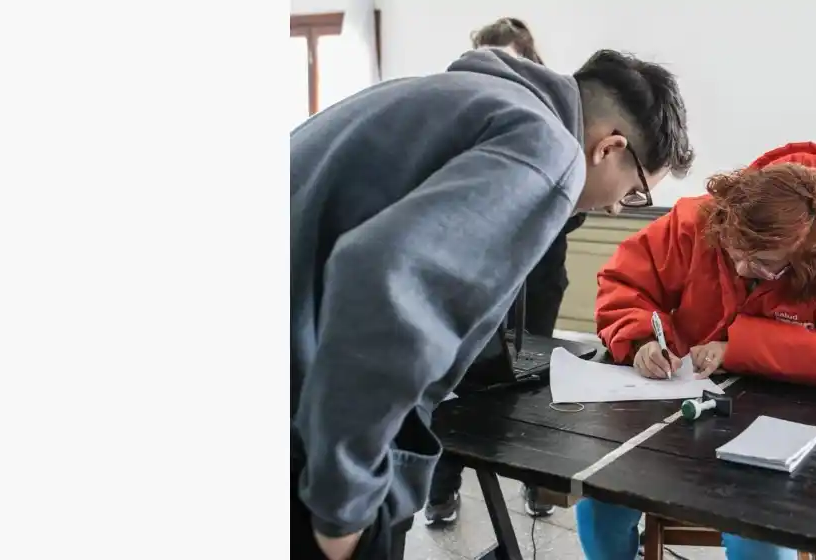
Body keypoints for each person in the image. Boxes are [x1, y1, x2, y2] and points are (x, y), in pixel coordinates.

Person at [291, 47, 694, 560]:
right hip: (308, 420)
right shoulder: (550, 149)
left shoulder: (466, 96)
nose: (618, 207)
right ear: (609, 147)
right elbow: (382, 281)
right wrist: (341, 504)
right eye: (635, 191)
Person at [577, 142, 816, 560]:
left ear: (812, 255)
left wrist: (737, 348)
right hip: (681, 415)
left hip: (783, 437)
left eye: (764, 263)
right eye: (734, 254)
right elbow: (625, 283)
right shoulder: (701, 220)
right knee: (600, 505)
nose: (744, 269)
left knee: (758, 538)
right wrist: (640, 340)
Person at [423, 15, 581, 528]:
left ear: (532, 62)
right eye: (490, 57)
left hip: (538, 278)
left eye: (509, 59)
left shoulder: (557, 122)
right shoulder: (464, 112)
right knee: (461, 382)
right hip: (479, 281)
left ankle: (538, 485)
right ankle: (442, 491)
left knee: (534, 382)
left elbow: (573, 202)